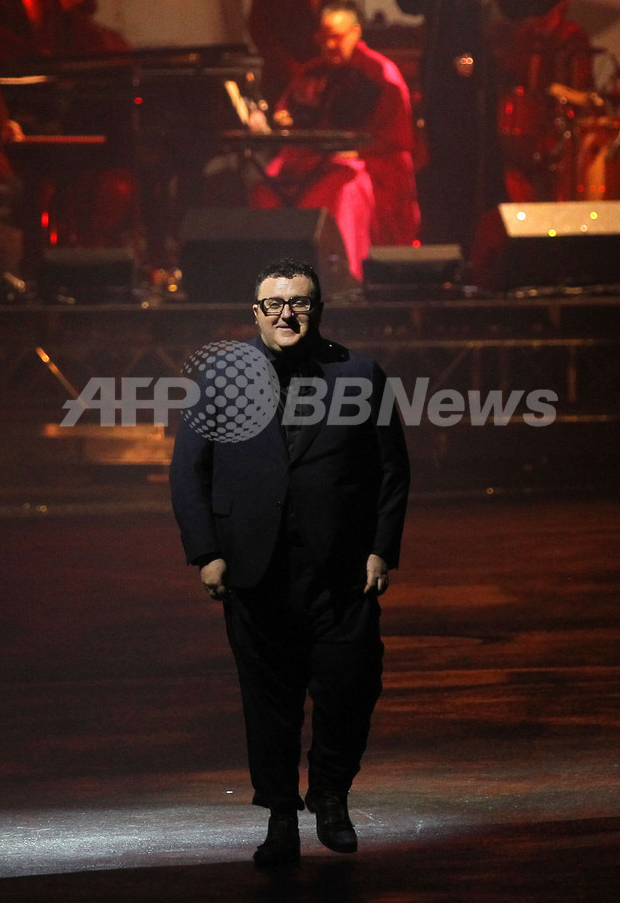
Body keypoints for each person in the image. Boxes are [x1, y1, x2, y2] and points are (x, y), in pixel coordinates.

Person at [170, 257, 410, 866]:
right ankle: (280, 816)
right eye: (274, 304)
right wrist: (206, 552)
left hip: (343, 570)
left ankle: (330, 795)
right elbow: (189, 470)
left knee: (350, 688)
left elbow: (391, 469)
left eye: (299, 302)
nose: (286, 314)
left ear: (318, 309)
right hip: (255, 567)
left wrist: (382, 548)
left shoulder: (359, 373)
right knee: (269, 703)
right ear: (255, 313)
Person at [395, 0, 591, 255]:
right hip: (440, 77)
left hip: (480, 81)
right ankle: (443, 243)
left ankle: (481, 245)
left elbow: (523, 3)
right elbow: (407, 2)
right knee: (443, 159)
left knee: (481, 158)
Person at [252, 0, 420, 280]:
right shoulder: (312, 71)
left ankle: (341, 278)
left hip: (367, 161)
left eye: (337, 37)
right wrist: (281, 119)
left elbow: (396, 138)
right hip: (311, 159)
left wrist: (357, 151)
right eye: (324, 38)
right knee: (265, 190)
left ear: (355, 33)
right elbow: (287, 113)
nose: (329, 45)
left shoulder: (381, 74)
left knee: (341, 190)